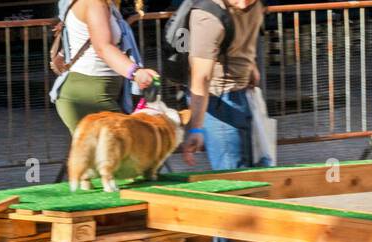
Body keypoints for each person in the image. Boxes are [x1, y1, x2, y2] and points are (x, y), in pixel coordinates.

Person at [180, 0, 269, 172]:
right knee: (234, 176)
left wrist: (250, 65)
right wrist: (196, 128)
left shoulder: (257, 4)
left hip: (243, 93)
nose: (243, 4)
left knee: (253, 173)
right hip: (217, 100)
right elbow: (201, 76)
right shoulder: (208, 16)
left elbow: (243, 36)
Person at [51, 0, 159, 135]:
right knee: (133, 144)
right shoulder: (94, 3)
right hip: (89, 96)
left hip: (95, 93)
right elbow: (103, 47)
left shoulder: (104, 4)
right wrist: (136, 73)